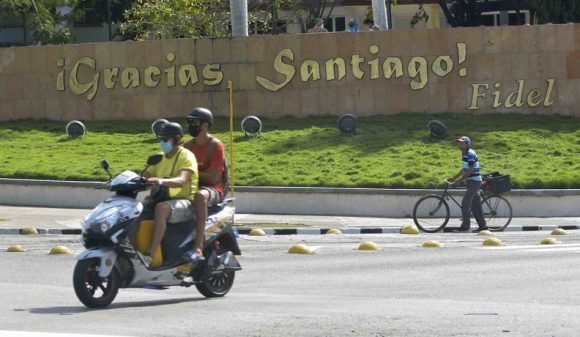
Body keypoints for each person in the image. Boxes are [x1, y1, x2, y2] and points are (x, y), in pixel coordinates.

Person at [142, 122, 198, 265]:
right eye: (160, 139)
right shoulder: (159, 157)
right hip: (163, 198)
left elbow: (181, 180)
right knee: (134, 210)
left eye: (165, 139)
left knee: (161, 208)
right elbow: (143, 176)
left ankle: (150, 254)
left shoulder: (186, 156)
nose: (162, 142)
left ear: (177, 138)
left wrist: (159, 181)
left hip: (186, 201)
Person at [183, 107, 226, 257]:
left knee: (200, 197)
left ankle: (198, 244)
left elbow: (213, 178)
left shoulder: (216, 146)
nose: (190, 126)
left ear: (205, 126)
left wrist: (190, 174)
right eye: (189, 122)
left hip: (212, 189)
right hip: (190, 187)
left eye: (195, 122)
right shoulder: (186, 146)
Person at [448, 136, 488, 233]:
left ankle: (465, 226)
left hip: (475, 181)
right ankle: (483, 226)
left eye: (462, 143)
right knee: (476, 206)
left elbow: (470, 170)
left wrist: (459, 181)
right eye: (459, 143)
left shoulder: (470, 154)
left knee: (465, 203)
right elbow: (464, 169)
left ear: (467, 144)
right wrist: (454, 177)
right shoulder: (464, 153)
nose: (460, 144)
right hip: (471, 181)